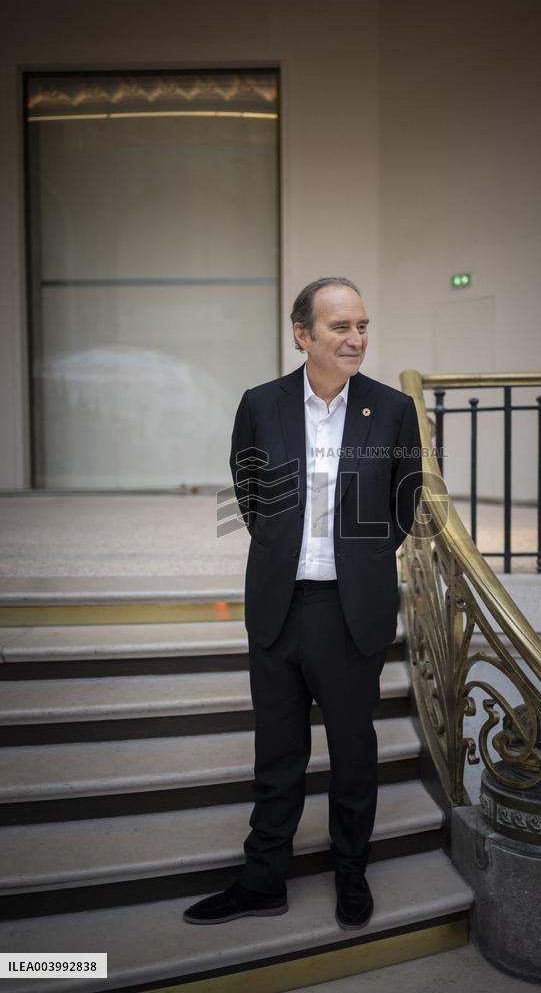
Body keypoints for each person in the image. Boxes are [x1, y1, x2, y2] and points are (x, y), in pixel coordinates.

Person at [183, 277, 422, 930]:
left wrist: (356, 560)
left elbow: (404, 505)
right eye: (341, 326)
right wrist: (292, 549)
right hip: (278, 606)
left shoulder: (393, 409)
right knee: (277, 753)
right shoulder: (262, 405)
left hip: (351, 613)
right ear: (302, 334)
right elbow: (248, 490)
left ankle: (351, 870)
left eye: (363, 326)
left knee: (352, 752)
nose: (356, 339)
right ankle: (263, 880)